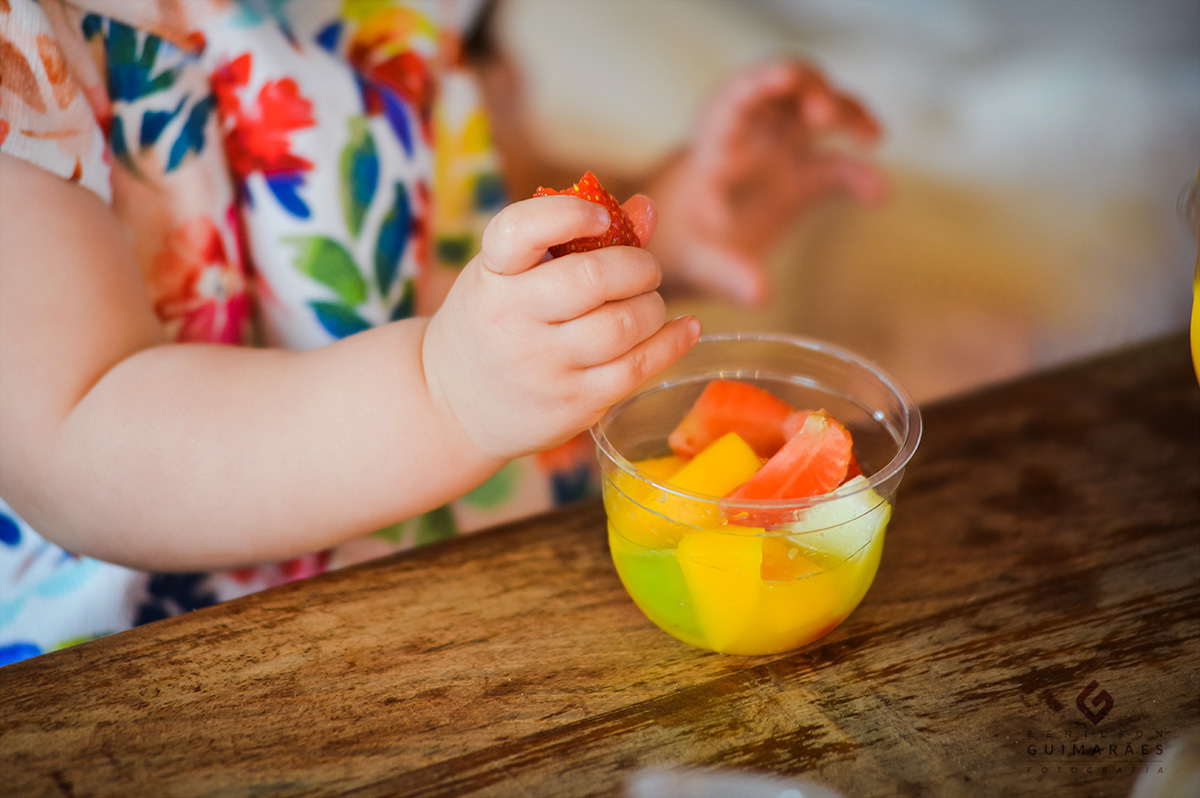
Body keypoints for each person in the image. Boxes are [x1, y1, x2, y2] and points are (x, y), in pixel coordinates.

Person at [0, 0, 884, 664]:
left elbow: (457, 189)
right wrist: (444, 392)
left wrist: (651, 223)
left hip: (499, 587)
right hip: (180, 657)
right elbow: (71, 437)